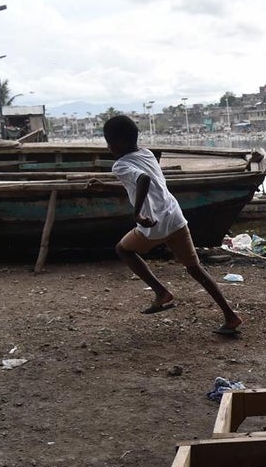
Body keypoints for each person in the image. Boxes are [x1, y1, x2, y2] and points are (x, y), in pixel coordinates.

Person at [102, 115, 243, 337]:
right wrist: (102, 186)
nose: (108, 147)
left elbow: (142, 181)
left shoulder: (119, 165)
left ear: (117, 143)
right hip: (175, 217)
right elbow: (139, 183)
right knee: (195, 269)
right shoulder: (147, 153)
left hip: (153, 223)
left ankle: (161, 292)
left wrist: (137, 213)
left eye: (108, 142)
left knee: (123, 250)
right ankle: (230, 315)